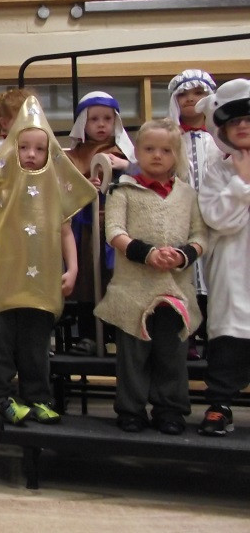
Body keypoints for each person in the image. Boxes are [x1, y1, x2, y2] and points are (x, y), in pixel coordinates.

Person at [0, 96, 96, 425]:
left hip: (40, 282)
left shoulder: (53, 183)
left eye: (39, 149)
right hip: (2, 276)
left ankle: (38, 396)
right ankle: (3, 397)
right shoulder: (1, 178)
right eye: (24, 147)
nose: (31, 154)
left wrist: (73, 268)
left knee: (36, 343)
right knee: (1, 340)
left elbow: (65, 231)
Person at [95, 119, 205, 434]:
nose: (157, 155)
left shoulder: (188, 194)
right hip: (133, 290)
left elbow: (200, 235)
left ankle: (170, 409)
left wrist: (182, 255)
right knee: (133, 355)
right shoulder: (122, 190)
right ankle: (131, 410)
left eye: (166, 150)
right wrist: (147, 253)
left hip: (175, 290)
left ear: (176, 155)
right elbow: (114, 231)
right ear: (138, 152)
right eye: (149, 149)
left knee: (172, 354)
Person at [194, 79, 250, 436]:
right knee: (230, 338)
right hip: (231, 269)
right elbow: (219, 220)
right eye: (234, 121)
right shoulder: (218, 171)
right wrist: (243, 184)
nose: (242, 126)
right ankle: (220, 405)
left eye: (248, 119)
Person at [65, 90, 135, 354]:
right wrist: (85, 186)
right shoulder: (73, 156)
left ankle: (121, 334)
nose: (101, 125)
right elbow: (64, 189)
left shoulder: (126, 153)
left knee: (117, 279)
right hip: (86, 227)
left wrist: (125, 166)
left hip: (121, 226)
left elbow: (143, 180)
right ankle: (89, 334)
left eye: (107, 118)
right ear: (83, 122)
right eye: (94, 119)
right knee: (88, 279)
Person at [167, 68, 221, 360]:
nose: (190, 99)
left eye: (198, 93)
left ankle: (216, 337)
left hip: (217, 218)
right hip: (182, 217)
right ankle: (185, 337)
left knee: (216, 276)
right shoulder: (171, 139)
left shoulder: (220, 138)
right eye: (183, 94)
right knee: (185, 276)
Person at [0, 87, 35, 168]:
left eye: (33, 120)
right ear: (4, 123)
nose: (30, 125)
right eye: (23, 120)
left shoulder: (37, 148)